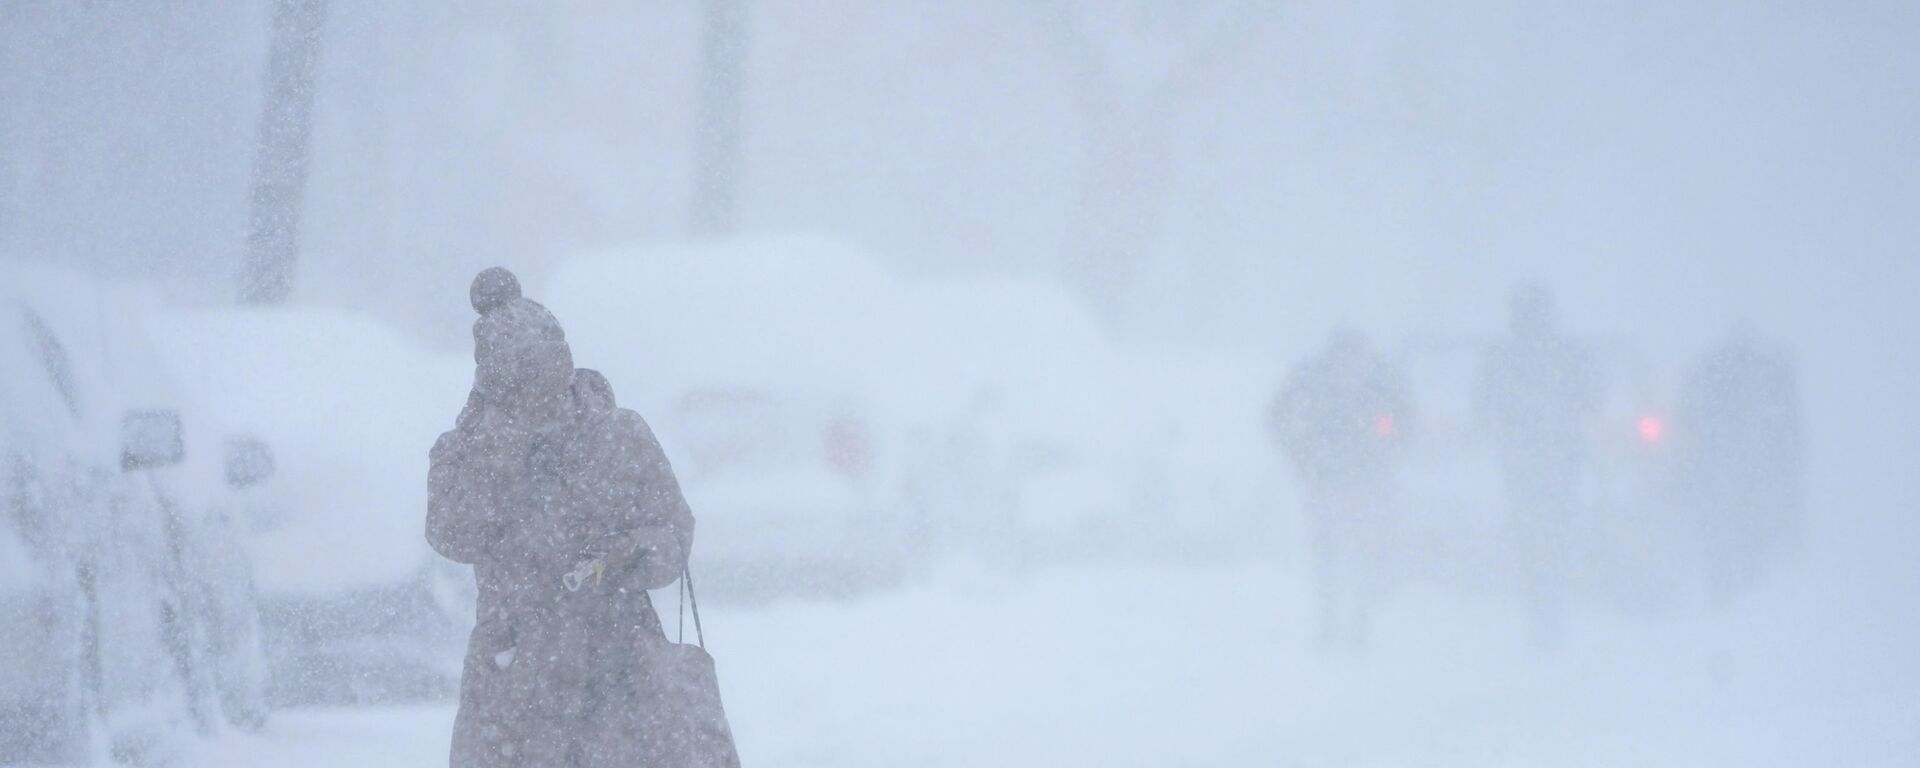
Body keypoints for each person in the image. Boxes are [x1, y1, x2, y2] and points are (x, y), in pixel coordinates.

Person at [428, 268, 696, 767]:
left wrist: (627, 552)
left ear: (564, 364)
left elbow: (673, 534)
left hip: (621, 666)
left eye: (545, 374)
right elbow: (451, 535)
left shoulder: (619, 434)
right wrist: (501, 452)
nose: (537, 397)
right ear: (494, 382)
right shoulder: (466, 450)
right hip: (515, 676)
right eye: (520, 383)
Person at [1474, 285, 1600, 649]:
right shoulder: (1566, 354)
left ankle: (1543, 611)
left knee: (1535, 538)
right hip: (1552, 461)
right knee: (1550, 537)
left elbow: (1482, 406)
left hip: (1531, 463)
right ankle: (1548, 609)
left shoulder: (1503, 357)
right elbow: (1592, 397)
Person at [1270, 330, 1409, 649]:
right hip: (1325, 482)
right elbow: (1280, 416)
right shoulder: (1314, 386)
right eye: (1347, 359)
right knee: (1328, 557)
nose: (1351, 367)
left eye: (1356, 360)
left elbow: (1388, 424)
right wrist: (1299, 453)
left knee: (1358, 555)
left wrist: (1384, 443)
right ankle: (1330, 625)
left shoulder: (1373, 389)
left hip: (1360, 483)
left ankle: (1357, 625)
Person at [1675, 324, 1804, 607]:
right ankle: (1740, 583)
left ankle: (1726, 586)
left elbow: (1689, 415)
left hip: (1721, 467)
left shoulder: (1712, 375)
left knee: (1722, 524)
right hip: (1743, 468)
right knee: (1739, 521)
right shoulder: (1764, 381)